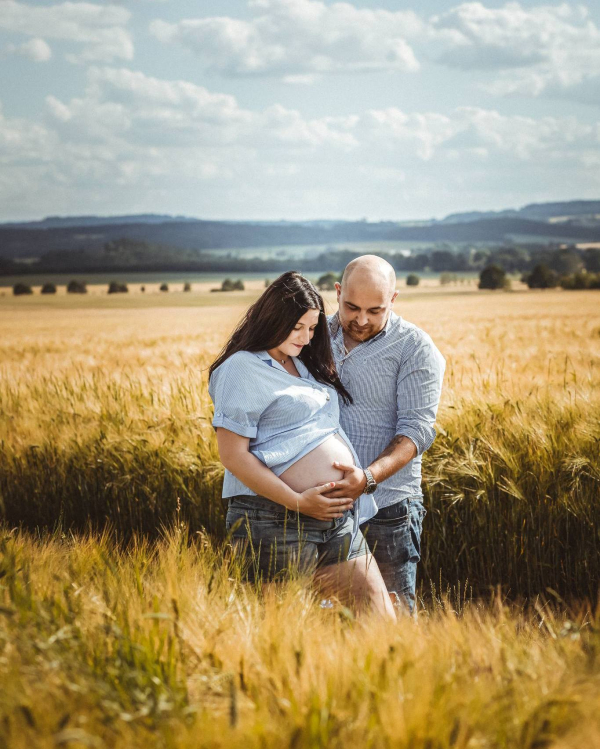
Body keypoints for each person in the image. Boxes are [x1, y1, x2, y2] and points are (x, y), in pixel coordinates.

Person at [208, 271, 395, 619]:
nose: (307, 338)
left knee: (379, 618)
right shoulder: (241, 368)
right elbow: (232, 455)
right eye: (298, 328)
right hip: (274, 518)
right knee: (284, 633)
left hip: (335, 518)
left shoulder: (301, 364)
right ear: (272, 318)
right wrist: (297, 501)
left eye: (312, 328)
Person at [324, 255, 446, 615]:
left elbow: (416, 431)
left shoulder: (415, 347)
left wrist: (368, 478)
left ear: (393, 300)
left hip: (389, 507)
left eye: (375, 310)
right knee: (332, 617)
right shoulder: (311, 335)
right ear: (337, 292)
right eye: (352, 307)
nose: (360, 320)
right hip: (325, 507)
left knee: (392, 619)